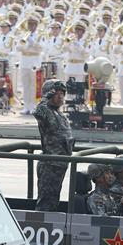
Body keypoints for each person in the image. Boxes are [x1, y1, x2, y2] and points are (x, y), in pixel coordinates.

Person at [33, 79, 73, 211]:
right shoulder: (45, 111)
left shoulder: (60, 115)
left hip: (60, 164)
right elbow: (38, 111)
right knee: (46, 203)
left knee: (54, 201)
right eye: (57, 93)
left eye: (62, 93)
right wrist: (46, 97)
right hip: (50, 165)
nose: (60, 96)